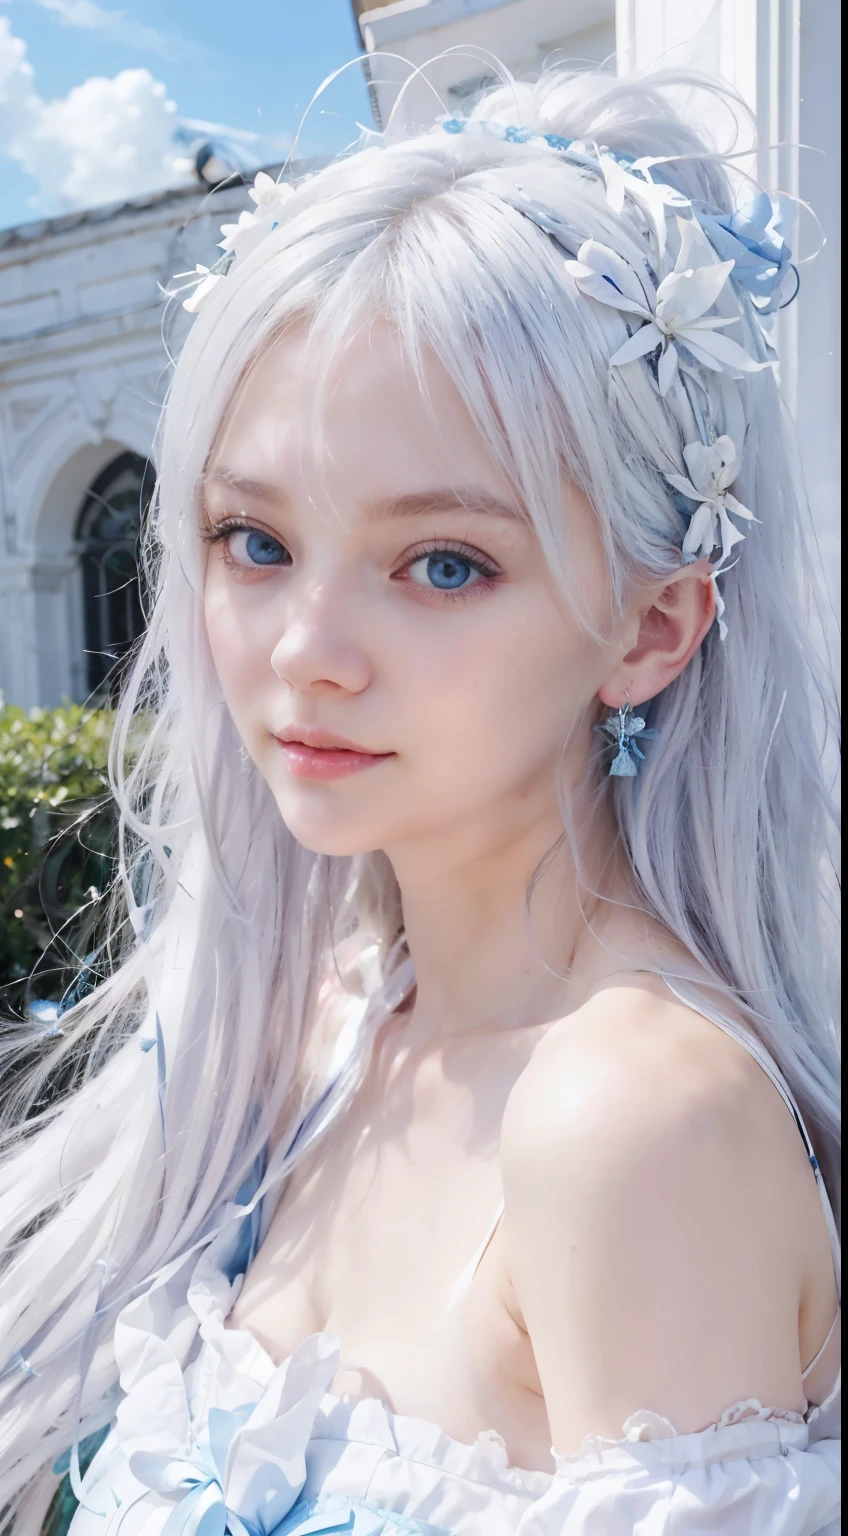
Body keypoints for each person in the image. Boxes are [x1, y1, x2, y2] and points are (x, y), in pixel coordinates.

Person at [0, 65, 840, 1536]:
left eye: (443, 563)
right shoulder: (324, 1022)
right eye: (252, 539)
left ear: (654, 626)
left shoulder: (630, 1129)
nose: (305, 655)